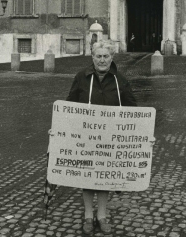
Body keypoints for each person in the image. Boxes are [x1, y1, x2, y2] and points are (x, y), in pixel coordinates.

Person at [66, 40, 137, 235]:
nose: (102, 60)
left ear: (112, 58)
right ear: (92, 57)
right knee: (87, 176)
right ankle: (89, 215)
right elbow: (69, 106)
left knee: (105, 177)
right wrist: (59, 130)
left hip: (110, 139)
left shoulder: (120, 80)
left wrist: (143, 135)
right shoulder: (81, 77)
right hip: (86, 136)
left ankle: (102, 215)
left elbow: (134, 110)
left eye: (106, 56)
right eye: (99, 56)